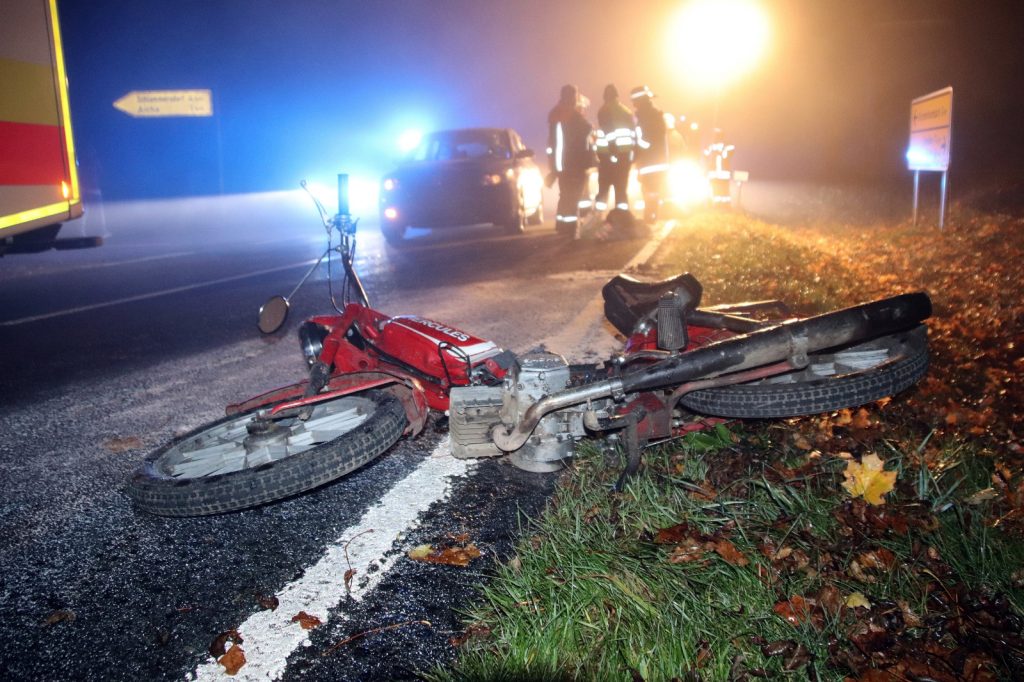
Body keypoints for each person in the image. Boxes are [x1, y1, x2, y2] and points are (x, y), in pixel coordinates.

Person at [547, 84, 594, 238]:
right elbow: (583, 132)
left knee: (565, 195)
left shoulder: (556, 114)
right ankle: (570, 229)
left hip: (561, 165)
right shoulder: (573, 117)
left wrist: (554, 169)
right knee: (573, 197)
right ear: (572, 97)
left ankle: (562, 226)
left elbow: (553, 144)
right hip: (574, 164)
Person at [630, 85, 669, 223]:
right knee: (654, 190)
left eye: (634, 102)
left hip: (649, 162)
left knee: (650, 189)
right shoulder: (655, 115)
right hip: (658, 161)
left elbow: (645, 141)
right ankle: (652, 215)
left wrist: (634, 154)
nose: (633, 105)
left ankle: (650, 216)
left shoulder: (645, 118)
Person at [594, 84, 635, 213]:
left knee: (604, 187)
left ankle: (597, 217)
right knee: (621, 188)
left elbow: (609, 132)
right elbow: (633, 134)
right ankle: (622, 217)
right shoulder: (626, 111)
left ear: (605, 96)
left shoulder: (604, 110)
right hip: (625, 156)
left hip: (608, 155)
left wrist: (612, 153)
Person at [704, 128, 735, 204]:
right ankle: (719, 203)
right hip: (716, 172)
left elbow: (729, 152)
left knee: (722, 188)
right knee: (718, 188)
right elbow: (706, 154)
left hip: (721, 172)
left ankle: (722, 203)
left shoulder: (726, 146)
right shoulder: (712, 146)